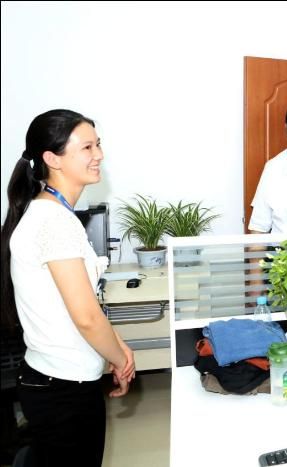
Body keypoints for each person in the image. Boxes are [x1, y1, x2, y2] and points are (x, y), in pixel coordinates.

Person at [0, 109, 135, 466]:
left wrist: (116, 345)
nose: (99, 155)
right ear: (52, 158)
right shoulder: (55, 222)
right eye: (87, 147)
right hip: (62, 389)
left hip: (54, 381)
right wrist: (121, 359)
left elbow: (78, 305)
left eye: (98, 144)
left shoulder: (47, 213)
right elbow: (86, 317)